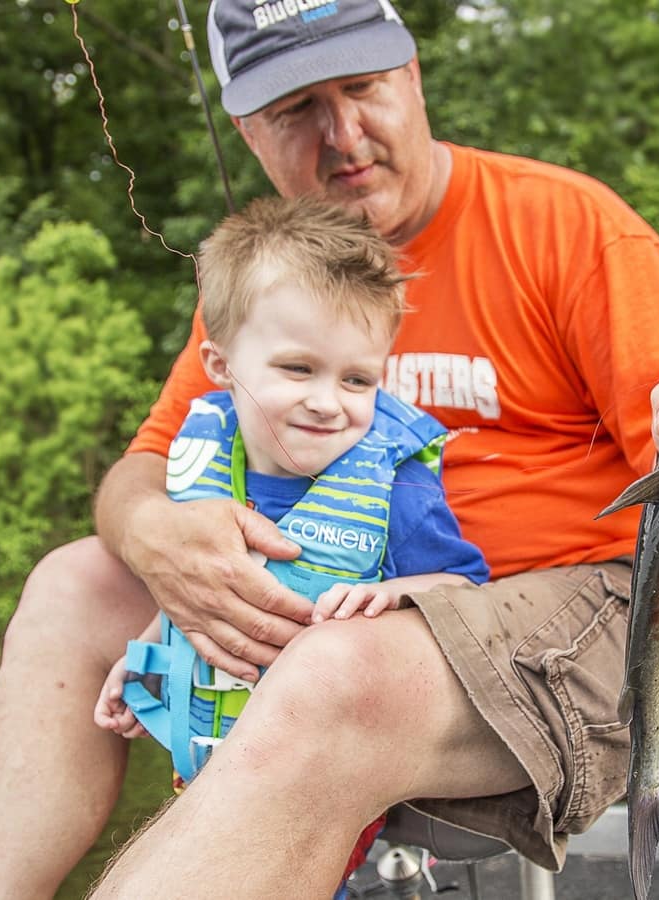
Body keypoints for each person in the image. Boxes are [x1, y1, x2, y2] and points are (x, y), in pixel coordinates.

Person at [0, 2, 659, 897]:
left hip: (603, 610)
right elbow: (146, 462)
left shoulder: (569, 227)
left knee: (336, 674)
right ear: (248, 132)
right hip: (339, 601)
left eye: (361, 86)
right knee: (70, 585)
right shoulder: (283, 279)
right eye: (295, 109)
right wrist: (149, 535)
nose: (344, 134)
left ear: (411, 76)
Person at [91, 195, 488, 888]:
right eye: (298, 369)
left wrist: (397, 592)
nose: (328, 401)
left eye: (357, 378)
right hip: (209, 752)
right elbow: (190, 597)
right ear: (218, 365)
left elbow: (463, 587)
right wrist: (142, 659)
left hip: (324, 776)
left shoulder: (394, 486)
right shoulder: (201, 465)